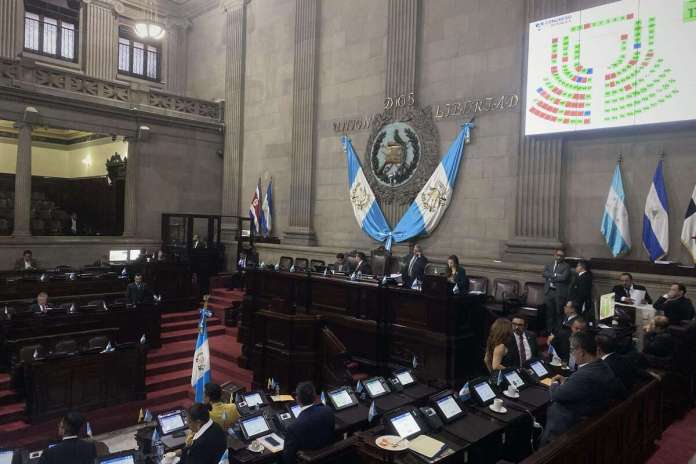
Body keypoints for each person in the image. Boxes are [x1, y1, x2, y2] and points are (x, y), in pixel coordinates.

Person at [540, 331, 625, 445]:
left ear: (581, 352)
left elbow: (556, 395)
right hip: (591, 418)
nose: (571, 353)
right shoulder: (602, 365)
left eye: (572, 350)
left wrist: (554, 382)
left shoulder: (585, 374)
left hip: (569, 428)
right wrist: (568, 381)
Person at [282, 381, 335, 464]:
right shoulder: (328, 411)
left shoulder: (293, 427)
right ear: (314, 397)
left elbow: (287, 459)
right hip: (328, 458)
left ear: (297, 399)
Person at [543, 249, 571, 334]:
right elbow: (544, 274)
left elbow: (564, 278)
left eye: (561, 256)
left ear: (563, 257)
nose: (559, 257)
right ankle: (549, 331)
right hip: (549, 292)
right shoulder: (549, 264)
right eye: (558, 255)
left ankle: (558, 332)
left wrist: (551, 276)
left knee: (559, 313)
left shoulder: (566, 266)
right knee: (549, 313)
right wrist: (556, 275)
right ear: (554, 255)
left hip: (559, 293)